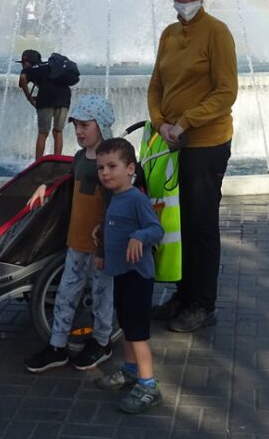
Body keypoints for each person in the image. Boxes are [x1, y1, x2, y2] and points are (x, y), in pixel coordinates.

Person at [147, 0, 238, 333]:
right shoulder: (169, 34)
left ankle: (203, 304)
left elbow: (226, 91)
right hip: (171, 142)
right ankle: (182, 296)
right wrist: (160, 123)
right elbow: (155, 86)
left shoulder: (217, 32)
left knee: (201, 225)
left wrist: (184, 122)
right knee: (177, 222)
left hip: (206, 143)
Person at [24, 95, 116, 373]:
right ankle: (57, 345)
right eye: (76, 125)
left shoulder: (111, 160)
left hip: (101, 245)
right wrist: (45, 186)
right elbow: (68, 176)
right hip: (76, 241)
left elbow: (115, 203)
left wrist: (104, 247)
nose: (78, 130)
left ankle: (102, 342)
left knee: (102, 294)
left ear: (101, 125)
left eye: (85, 125)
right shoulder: (80, 157)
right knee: (66, 292)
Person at [93, 137, 165, 414]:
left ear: (131, 168)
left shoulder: (136, 198)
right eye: (101, 168)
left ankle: (149, 386)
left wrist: (139, 236)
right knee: (126, 326)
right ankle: (131, 370)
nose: (105, 173)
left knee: (138, 333)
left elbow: (155, 229)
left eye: (112, 166)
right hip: (121, 274)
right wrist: (101, 249)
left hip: (138, 277)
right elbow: (109, 226)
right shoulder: (115, 197)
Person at [17, 49, 71, 160]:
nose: (22, 65)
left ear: (26, 61)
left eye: (22, 63)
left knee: (43, 132)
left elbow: (22, 80)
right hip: (64, 98)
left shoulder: (30, 68)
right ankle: (57, 162)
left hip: (46, 100)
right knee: (58, 131)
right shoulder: (50, 65)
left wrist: (29, 98)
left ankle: (38, 164)